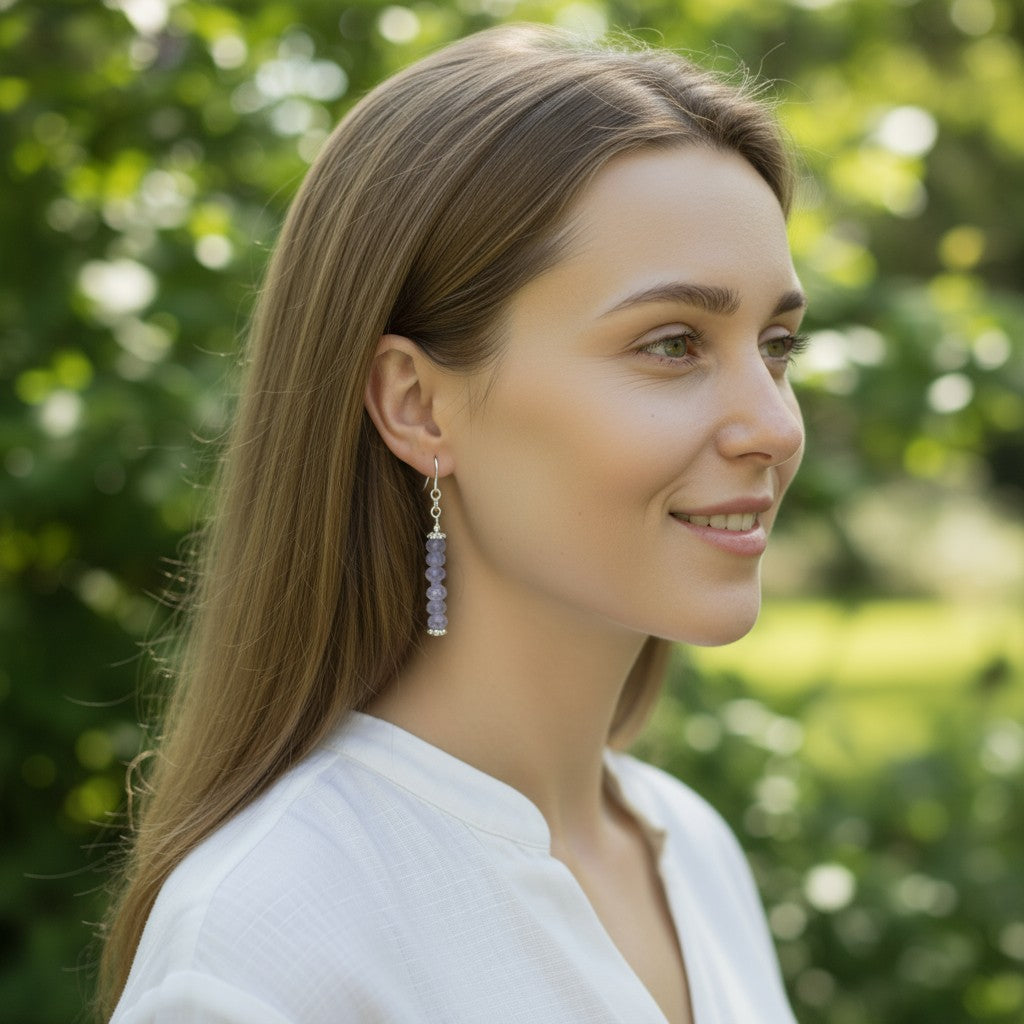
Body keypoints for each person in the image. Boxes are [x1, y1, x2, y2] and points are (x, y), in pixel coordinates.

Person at [98, 22, 809, 1024]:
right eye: (671, 343)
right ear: (417, 405)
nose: (775, 425)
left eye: (777, 343)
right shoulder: (269, 940)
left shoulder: (687, 846)